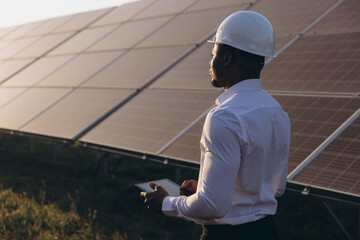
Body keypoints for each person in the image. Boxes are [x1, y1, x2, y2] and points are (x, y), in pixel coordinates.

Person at [140, 11, 291, 240]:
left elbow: (212, 206)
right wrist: (206, 186)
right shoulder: (278, 113)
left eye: (214, 54)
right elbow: (275, 187)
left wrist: (166, 203)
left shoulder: (225, 116)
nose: (211, 62)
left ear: (227, 58)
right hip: (267, 232)